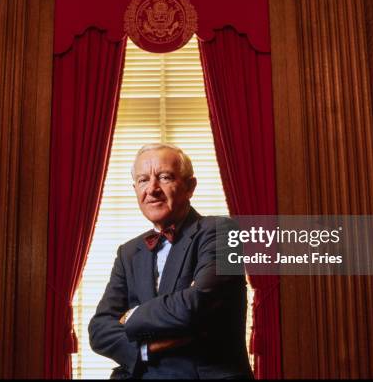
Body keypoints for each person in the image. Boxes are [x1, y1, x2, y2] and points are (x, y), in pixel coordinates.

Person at [89, 143, 253, 379]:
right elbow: (99, 329)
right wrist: (145, 349)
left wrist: (133, 315)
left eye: (165, 177)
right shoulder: (128, 252)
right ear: (135, 189)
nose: (152, 189)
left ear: (190, 186)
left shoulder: (223, 232)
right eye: (143, 180)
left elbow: (198, 304)